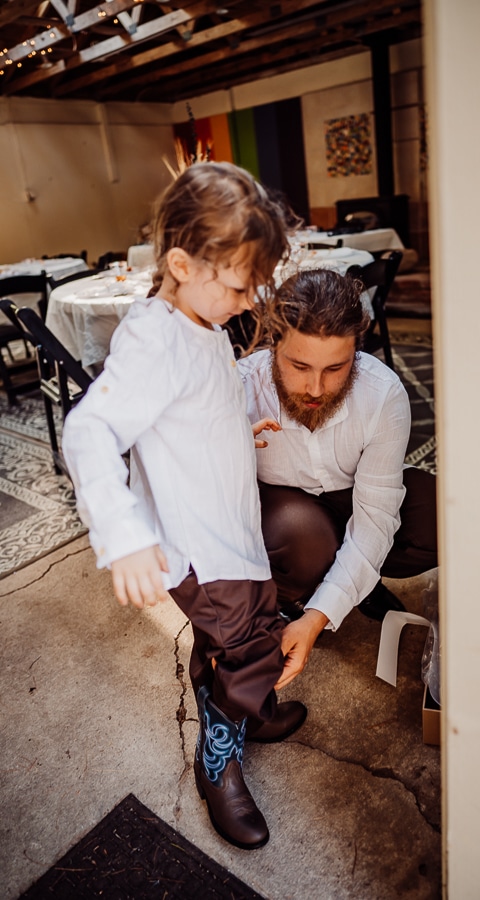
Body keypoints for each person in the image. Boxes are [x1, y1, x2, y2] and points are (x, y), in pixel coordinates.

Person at [62, 162, 307, 851]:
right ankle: (218, 758)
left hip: (235, 533)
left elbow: (192, 407)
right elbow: (91, 429)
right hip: (198, 545)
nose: (248, 298)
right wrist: (123, 535)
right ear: (180, 262)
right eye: (238, 284)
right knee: (241, 651)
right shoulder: (155, 337)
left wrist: (238, 427)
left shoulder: (199, 322)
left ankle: (250, 710)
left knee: (252, 626)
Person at [238, 267, 438, 690]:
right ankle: (295, 594)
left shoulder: (382, 393)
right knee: (307, 538)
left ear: (357, 353)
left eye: (335, 368)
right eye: (299, 365)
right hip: (284, 515)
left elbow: (375, 520)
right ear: (273, 344)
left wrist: (318, 619)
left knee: (443, 515)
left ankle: (349, 587)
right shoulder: (237, 387)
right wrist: (228, 444)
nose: (315, 388)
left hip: (353, 494)